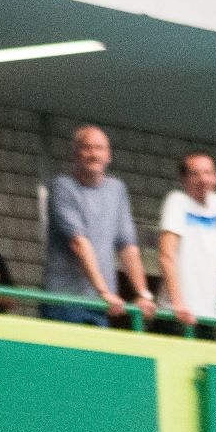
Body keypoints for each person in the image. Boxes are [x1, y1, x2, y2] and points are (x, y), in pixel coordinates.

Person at [42, 125, 154, 326]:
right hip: (64, 301)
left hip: (100, 305)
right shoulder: (62, 187)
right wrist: (104, 291)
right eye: (87, 148)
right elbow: (79, 243)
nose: (94, 154)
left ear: (108, 156)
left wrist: (143, 294)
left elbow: (127, 247)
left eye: (99, 148)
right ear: (75, 154)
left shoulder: (116, 190)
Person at [156, 152, 216, 333]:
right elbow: (166, 255)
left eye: (208, 173)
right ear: (184, 179)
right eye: (195, 174)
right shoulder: (177, 201)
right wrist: (178, 303)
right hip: (176, 314)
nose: (203, 179)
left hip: (208, 316)